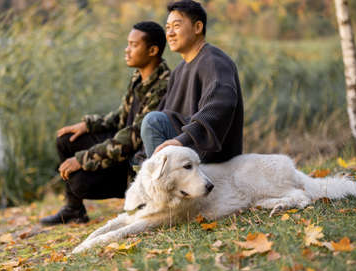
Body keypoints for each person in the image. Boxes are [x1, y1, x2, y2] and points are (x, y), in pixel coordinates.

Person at [40, 21, 170, 225]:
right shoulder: (139, 76)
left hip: (132, 162)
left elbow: (131, 139)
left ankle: (132, 196)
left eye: (134, 45)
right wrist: (88, 125)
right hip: (121, 148)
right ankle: (74, 210)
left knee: (78, 182)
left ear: (153, 50)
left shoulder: (163, 85)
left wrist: (82, 159)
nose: (127, 50)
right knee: (66, 139)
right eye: (128, 44)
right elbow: (121, 117)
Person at [141, 0, 243, 164]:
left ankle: (162, 186)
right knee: (152, 123)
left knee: (153, 121)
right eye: (167, 28)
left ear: (197, 27)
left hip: (210, 153)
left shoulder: (215, 61)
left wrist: (183, 139)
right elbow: (167, 114)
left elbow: (222, 105)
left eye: (176, 26)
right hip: (186, 145)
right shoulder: (179, 70)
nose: (170, 33)